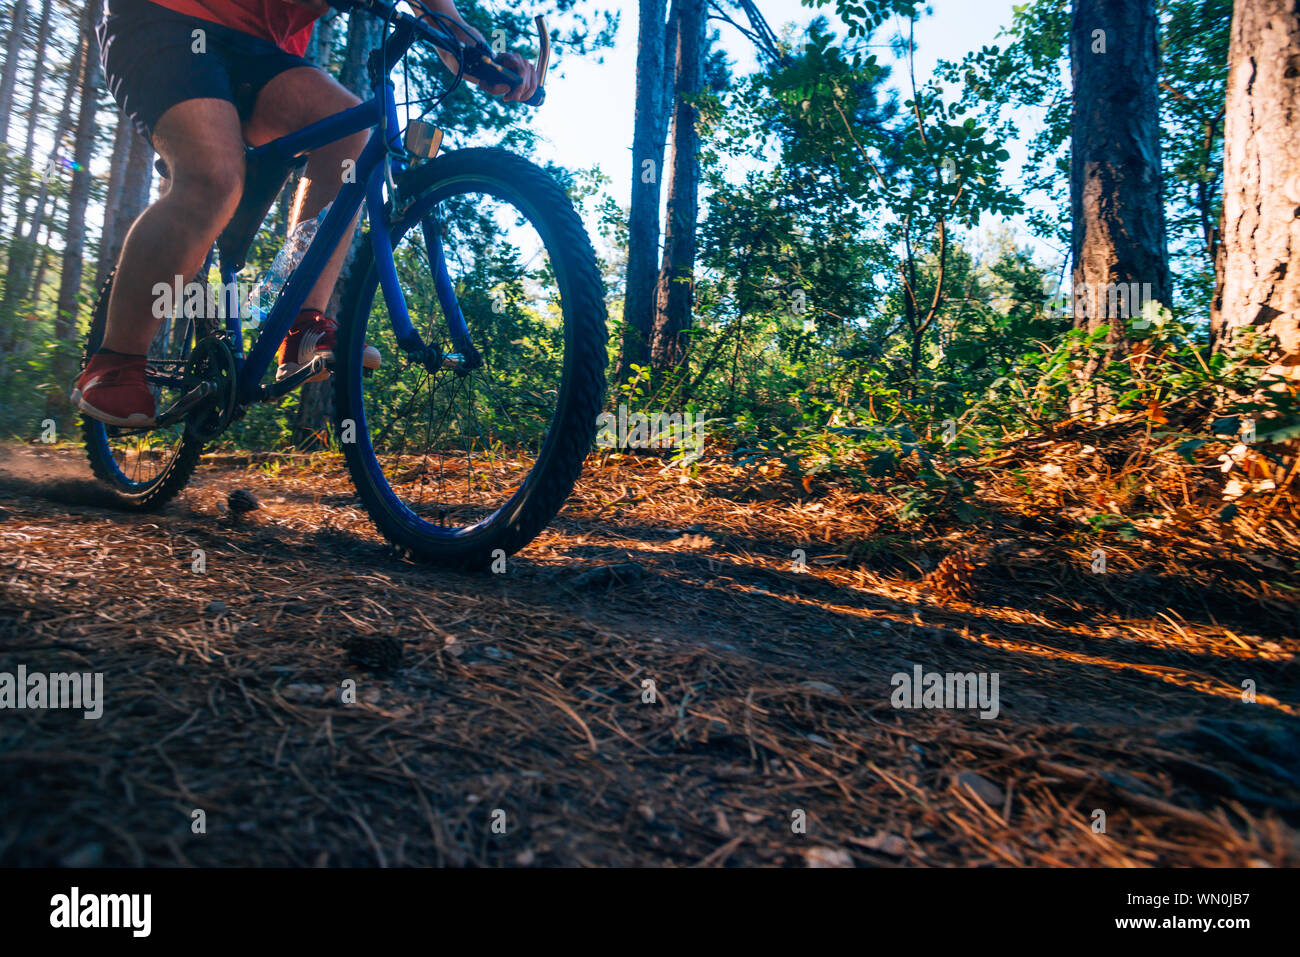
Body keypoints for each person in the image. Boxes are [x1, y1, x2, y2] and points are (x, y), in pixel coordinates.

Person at [72, 0, 539, 426]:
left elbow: (441, 17)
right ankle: (116, 363)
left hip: (260, 51)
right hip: (164, 19)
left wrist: (484, 59)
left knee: (351, 133)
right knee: (214, 179)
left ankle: (302, 326)